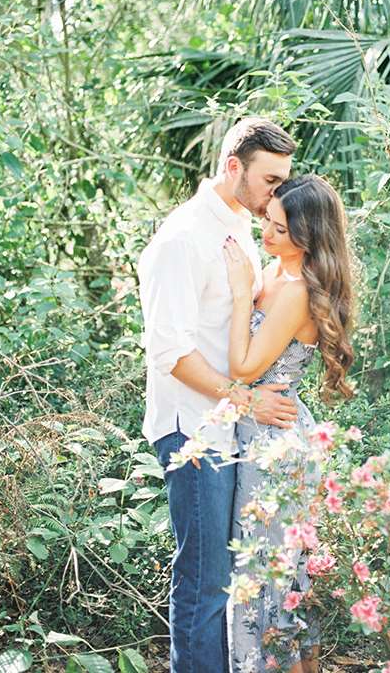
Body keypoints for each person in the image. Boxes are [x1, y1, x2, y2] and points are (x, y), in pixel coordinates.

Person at [137, 118, 299, 673]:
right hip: (194, 429)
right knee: (205, 583)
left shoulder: (242, 226)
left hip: (233, 431)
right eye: (270, 181)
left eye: (283, 182)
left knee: (232, 580)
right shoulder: (181, 239)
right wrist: (247, 400)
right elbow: (169, 351)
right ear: (234, 167)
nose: (278, 194)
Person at [223, 174, 355, 673]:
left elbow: (244, 367)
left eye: (280, 228)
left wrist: (241, 295)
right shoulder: (275, 273)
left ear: (308, 236)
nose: (267, 233)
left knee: (265, 578)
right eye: (267, 220)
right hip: (266, 433)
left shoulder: (298, 290)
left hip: (275, 443)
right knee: (275, 581)